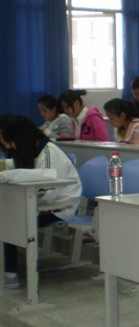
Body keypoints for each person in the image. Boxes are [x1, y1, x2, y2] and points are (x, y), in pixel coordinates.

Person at [0, 115, 82, 289]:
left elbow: (47, 194)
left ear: (21, 137)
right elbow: (16, 168)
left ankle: (10, 273)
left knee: (11, 220)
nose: (8, 147)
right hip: (40, 204)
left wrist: (17, 203)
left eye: (10, 142)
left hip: (59, 207)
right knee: (8, 213)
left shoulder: (49, 153)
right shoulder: (30, 150)